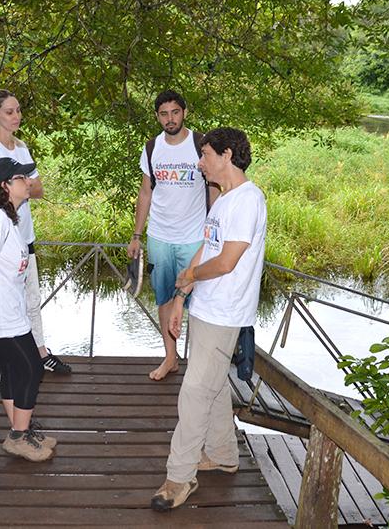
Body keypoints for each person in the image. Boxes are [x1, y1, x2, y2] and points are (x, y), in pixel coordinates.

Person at [150, 127, 267, 511]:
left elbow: (228, 261)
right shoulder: (223, 199)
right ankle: (222, 454)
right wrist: (183, 294)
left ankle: (179, 477)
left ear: (227, 155)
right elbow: (207, 246)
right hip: (206, 307)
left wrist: (192, 277)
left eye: (205, 155)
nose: (200, 163)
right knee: (211, 387)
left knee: (195, 392)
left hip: (226, 313)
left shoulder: (248, 201)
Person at [0, 157, 56, 462]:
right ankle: (17, 436)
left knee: (15, 369)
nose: (28, 182)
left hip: (10, 311)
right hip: (0, 315)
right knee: (32, 368)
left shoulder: (8, 218)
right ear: (5, 186)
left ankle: (21, 427)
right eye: (21, 178)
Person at [127, 90, 218, 381]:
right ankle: (170, 357)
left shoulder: (200, 144)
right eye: (164, 114)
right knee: (165, 298)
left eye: (175, 112)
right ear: (157, 117)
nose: (170, 119)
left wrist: (213, 231)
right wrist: (136, 234)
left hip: (194, 238)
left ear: (184, 112)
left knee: (199, 300)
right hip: (160, 236)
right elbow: (145, 192)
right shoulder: (152, 148)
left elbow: (214, 187)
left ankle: (201, 364)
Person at [0, 90, 71, 375]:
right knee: (10, 302)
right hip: (3, 237)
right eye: (9, 112)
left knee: (31, 297)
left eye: (18, 110)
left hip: (25, 235)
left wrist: (23, 186)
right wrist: (25, 185)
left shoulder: (21, 148)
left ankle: (40, 352)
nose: (16, 116)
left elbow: (38, 189)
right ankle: (7, 364)